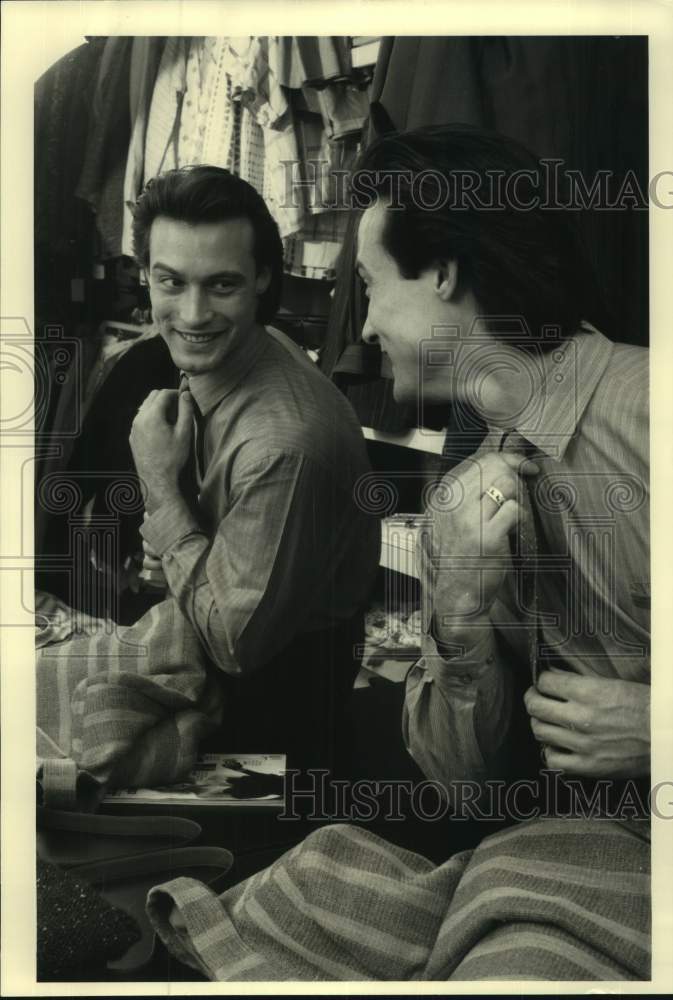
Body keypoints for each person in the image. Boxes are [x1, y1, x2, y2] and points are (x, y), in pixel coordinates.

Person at [353, 124, 650, 796]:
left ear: (441, 272)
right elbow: (466, 789)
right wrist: (457, 607)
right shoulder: (459, 510)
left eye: (369, 286)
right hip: (578, 853)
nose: (364, 328)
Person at [127, 165, 380, 772]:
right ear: (146, 277)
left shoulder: (282, 443)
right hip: (240, 679)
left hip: (274, 710)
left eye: (221, 286)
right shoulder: (248, 348)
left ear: (263, 278)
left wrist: (162, 492)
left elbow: (235, 645)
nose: (191, 313)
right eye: (171, 282)